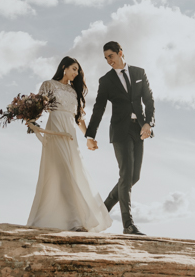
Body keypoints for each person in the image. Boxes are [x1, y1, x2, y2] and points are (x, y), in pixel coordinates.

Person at [26, 56, 113, 233]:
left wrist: (88, 137)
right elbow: (38, 108)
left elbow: (79, 118)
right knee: (64, 171)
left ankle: (73, 219)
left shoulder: (74, 92)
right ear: (64, 67)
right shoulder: (49, 85)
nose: (76, 73)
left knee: (73, 171)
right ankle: (76, 221)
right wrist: (29, 118)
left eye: (78, 71)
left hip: (70, 135)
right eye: (74, 69)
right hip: (56, 130)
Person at [85, 41, 155, 236]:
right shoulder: (106, 81)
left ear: (120, 53)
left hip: (138, 130)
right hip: (120, 132)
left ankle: (101, 211)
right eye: (106, 58)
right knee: (125, 175)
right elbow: (99, 108)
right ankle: (128, 224)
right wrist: (90, 135)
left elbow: (148, 100)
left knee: (134, 177)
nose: (109, 61)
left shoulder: (139, 73)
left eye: (111, 56)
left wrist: (149, 123)